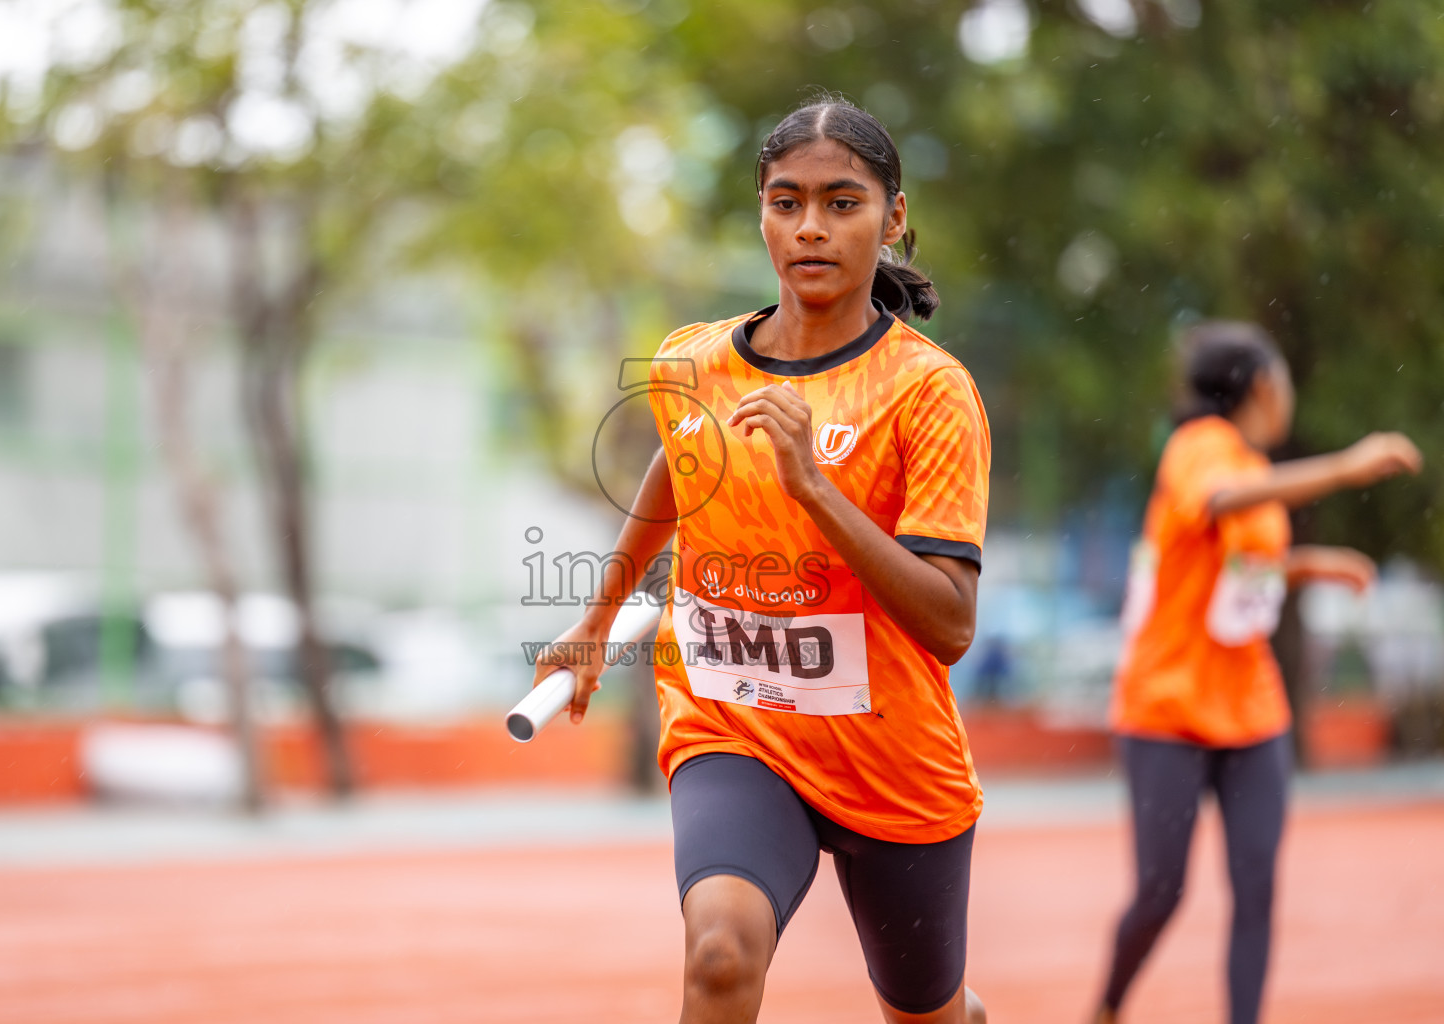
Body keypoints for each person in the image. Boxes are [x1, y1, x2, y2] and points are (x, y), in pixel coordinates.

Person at [534, 96, 991, 1024]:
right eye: (786, 203)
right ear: (761, 212)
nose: (810, 229)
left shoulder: (928, 392)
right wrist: (592, 623)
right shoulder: (692, 363)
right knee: (719, 954)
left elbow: (949, 624)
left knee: (925, 1014)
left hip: (892, 763)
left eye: (842, 202)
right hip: (734, 728)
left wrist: (815, 488)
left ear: (893, 217)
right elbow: (676, 464)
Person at [1093, 320, 1422, 1024]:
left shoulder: (1250, 465)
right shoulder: (1198, 450)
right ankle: (1107, 1007)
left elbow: (1234, 573)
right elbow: (1215, 504)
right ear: (1268, 386)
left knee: (1255, 888)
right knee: (1161, 891)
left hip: (1251, 709)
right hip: (1168, 707)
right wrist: (1346, 467)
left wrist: (1309, 565)